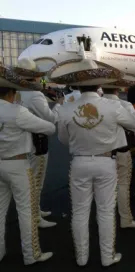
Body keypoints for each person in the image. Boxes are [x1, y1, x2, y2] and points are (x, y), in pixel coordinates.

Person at [50, 59, 135, 267]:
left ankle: (81, 258)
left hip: (79, 162)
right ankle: (107, 257)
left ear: (76, 86)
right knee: (106, 210)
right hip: (105, 161)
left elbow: (63, 139)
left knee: (80, 211)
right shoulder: (113, 106)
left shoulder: (67, 108)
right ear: (99, 85)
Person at [0, 64, 55, 265]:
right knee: (26, 210)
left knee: (0, 210)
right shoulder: (18, 112)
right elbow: (49, 127)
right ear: (12, 92)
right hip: (18, 165)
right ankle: (31, 254)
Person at [13, 57, 63, 229]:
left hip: (22, 140)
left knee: (30, 179)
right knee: (36, 180)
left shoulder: (16, 92)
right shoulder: (35, 95)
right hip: (38, 141)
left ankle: (35, 210)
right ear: (35, 76)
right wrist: (58, 105)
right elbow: (51, 119)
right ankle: (35, 217)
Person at [101, 73, 135, 229]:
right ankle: (125, 219)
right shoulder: (124, 106)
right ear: (118, 88)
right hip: (121, 150)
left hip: (101, 154)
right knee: (123, 185)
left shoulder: (96, 105)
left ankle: (105, 220)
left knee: (103, 190)